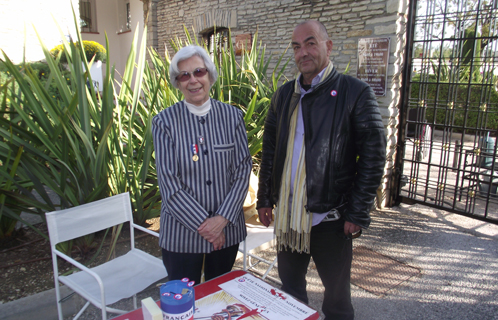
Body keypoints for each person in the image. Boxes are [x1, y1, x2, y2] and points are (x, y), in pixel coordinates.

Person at [256, 21, 386, 320]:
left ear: (328, 46)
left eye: (311, 43)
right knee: (290, 293)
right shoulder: (283, 96)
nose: (303, 52)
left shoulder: (355, 92)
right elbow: (271, 151)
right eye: (297, 46)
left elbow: (373, 156)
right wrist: (264, 197)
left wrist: (358, 211)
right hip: (289, 217)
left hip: (331, 217)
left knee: (337, 300)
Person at [152, 45, 252, 285]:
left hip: (226, 232)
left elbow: (242, 170)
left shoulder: (232, 117)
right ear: (177, 83)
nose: (193, 80)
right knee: (184, 302)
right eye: (184, 75)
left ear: (210, 75)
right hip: (182, 235)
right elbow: (169, 184)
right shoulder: (164, 122)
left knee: (219, 296)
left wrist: (221, 221)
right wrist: (206, 226)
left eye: (199, 71)